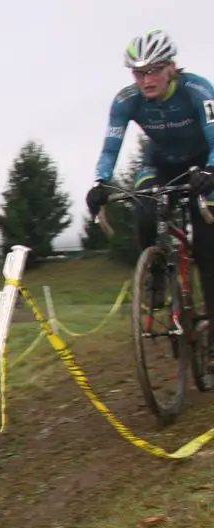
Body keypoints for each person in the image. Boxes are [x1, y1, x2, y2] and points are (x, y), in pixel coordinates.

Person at [86, 29, 214, 320]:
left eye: (155, 70)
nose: (147, 80)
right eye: (139, 73)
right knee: (144, 209)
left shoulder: (199, 90)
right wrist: (100, 182)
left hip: (203, 164)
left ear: (171, 67)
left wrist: (211, 169)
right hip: (159, 165)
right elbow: (110, 148)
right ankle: (155, 274)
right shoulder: (126, 101)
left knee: (209, 251)